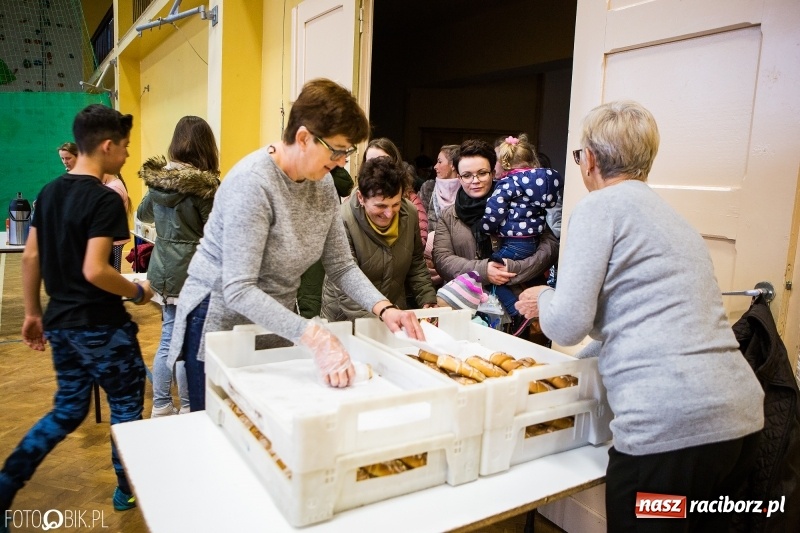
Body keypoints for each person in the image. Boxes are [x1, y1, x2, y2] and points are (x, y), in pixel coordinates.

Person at [515, 101, 764, 531]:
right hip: (737, 424)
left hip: (668, 434)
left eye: (578, 157)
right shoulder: (674, 221)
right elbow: (638, 322)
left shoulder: (599, 209)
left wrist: (544, 299)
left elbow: (567, 323)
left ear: (590, 159)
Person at [168, 79, 424, 412]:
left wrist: (384, 308)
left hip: (276, 317)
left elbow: (341, 264)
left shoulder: (322, 186)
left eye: (348, 152)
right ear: (303, 137)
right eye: (338, 150)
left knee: (267, 417)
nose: (343, 161)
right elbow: (239, 289)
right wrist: (314, 335)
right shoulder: (253, 184)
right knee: (224, 423)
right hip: (218, 319)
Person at [0, 104, 154, 519]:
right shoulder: (104, 200)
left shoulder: (48, 192)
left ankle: (6, 486)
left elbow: (30, 257)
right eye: (123, 147)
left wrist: (33, 313)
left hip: (62, 327)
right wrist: (136, 292)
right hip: (103, 327)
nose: (125, 155)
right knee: (125, 408)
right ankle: (127, 490)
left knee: (67, 411)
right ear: (106, 146)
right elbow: (96, 269)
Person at [136, 116, 221, 418]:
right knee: (189, 345)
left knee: (168, 337)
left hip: (162, 270)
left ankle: (160, 404)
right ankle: (188, 406)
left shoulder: (158, 182)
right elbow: (217, 231)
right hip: (193, 273)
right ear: (206, 147)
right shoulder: (205, 188)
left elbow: (143, 214)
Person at [431, 139, 559, 336]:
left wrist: (513, 269)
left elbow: (550, 246)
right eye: (467, 175)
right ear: (458, 176)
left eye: (482, 173)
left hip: (517, 305)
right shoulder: (449, 215)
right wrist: (484, 271)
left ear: (493, 172)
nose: (475, 180)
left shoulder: (519, 201)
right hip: (467, 309)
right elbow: (442, 259)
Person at [321, 157, 437, 321]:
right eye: (380, 206)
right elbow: (345, 282)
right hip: (347, 318)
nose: (389, 213)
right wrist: (384, 316)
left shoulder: (409, 213)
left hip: (392, 313)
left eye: (396, 204)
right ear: (361, 198)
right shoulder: (341, 220)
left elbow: (416, 262)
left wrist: (427, 298)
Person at [482, 134, 562, 334]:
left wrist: (486, 228)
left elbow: (495, 211)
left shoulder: (508, 184)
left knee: (491, 275)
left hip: (514, 242)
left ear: (504, 164)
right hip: (533, 241)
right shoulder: (542, 184)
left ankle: (518, 313)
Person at [296, 166, 355, 318]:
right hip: (306, 241)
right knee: (309, 296)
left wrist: (334, 166)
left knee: (319, 293)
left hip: (325, 238)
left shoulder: (329, 176)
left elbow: (346, 186)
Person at [363, 137, 429, 248]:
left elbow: (419, 243)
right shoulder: (352, 202)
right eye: (371, 162)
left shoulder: (411, 202)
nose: (377, 167)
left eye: (383, 161)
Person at [423, 144, 461, 287]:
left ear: (452, 165)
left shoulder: (467, 190)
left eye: (439, 161)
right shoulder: (428, 188)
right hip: (429, 261)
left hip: (456, 261)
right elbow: (419, 223)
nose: (435, 166)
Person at [101, 173, 131, 271]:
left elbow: (108, 217)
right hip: (112, 238)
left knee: (113, 272)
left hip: (114, 240)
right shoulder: (112, 186)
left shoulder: (114, 188)